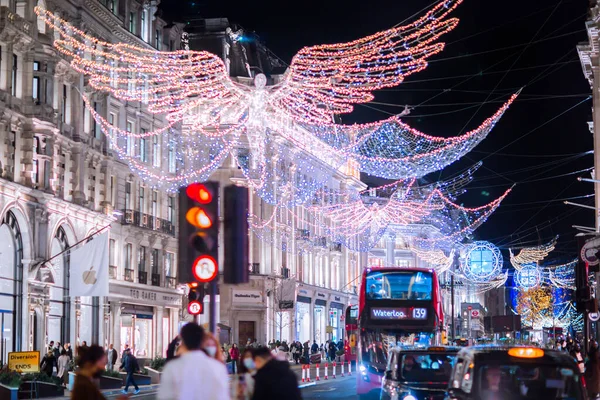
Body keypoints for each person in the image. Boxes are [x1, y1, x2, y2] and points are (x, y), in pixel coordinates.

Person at [157, 323, 229, 400]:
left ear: (183, 341)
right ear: (202, 341)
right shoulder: (217, 367)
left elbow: (166, 397)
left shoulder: (172, 367)